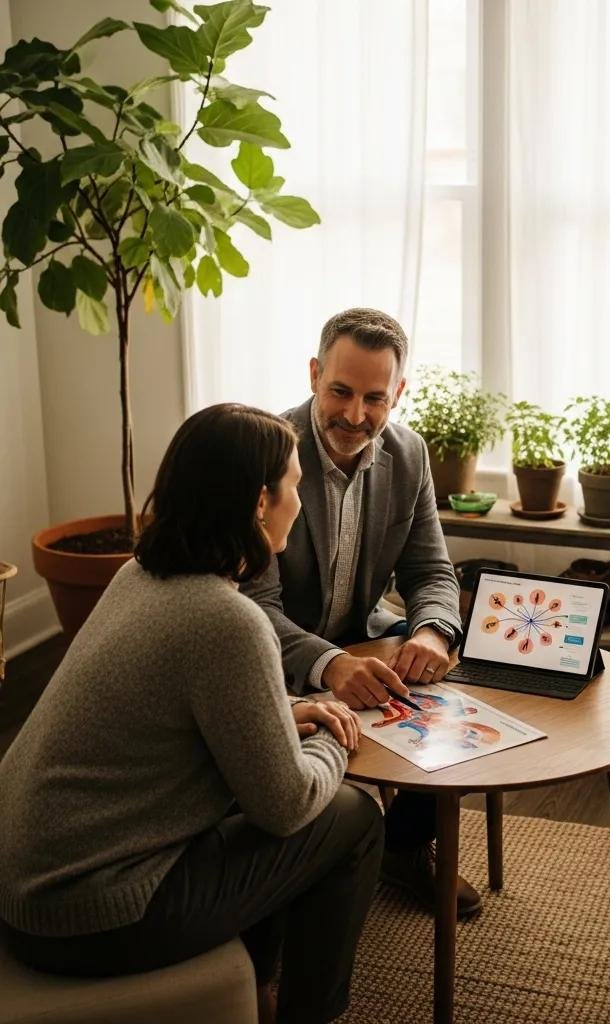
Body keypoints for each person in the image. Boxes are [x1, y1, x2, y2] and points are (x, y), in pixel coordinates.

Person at [0, 404, 382, 1024]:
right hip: (84, 918)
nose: (301, 502)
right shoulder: (225, 620)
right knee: (350, 815)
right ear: (260, 502)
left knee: (258, 792)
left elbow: (177, 707)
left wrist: (286, 708)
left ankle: (258, 987)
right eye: (294, 484)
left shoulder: (138, 576)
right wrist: (335, 733)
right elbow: (285, 805)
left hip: (25, 884)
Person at [242, 308, 480, 918]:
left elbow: (430, 571)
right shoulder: (267, 451)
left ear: (399, 392)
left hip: (365, 633)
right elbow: (254, 607)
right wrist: (329, 665)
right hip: (273, 649)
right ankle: (299, 867)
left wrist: (431, 631)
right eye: (340, 392)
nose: (355, 416)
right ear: (315, 374)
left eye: (375, 398)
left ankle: (402, 847)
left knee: (467, 675)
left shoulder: (409, 453)